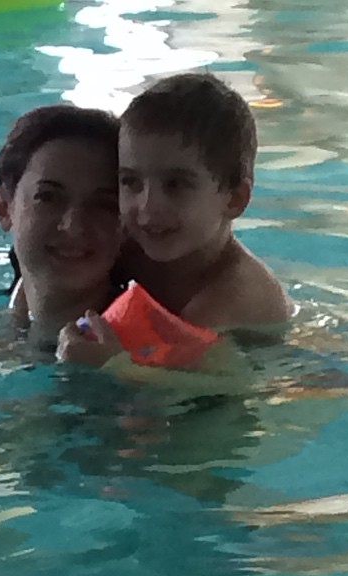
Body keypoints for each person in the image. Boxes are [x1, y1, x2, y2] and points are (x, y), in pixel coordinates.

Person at [57, 72, 294, 369]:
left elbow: (224, 384)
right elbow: (43, 281)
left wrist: (117, 366)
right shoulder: (133, 248)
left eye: (176, 185)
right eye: (131, 181)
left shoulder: (229, 299)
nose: (147, 206)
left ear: (234, 199)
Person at [0, 104, 123, 351]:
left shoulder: (156, 349)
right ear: (4, 208)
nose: (73, 226)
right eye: (49, 197)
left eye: (103, 204)